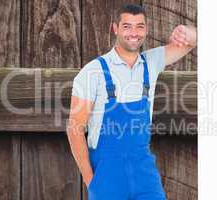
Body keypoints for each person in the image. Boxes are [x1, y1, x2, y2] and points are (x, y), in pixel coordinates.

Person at [67, 3, 197, 200]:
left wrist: (188, 32)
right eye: (127, 26)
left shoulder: (151, 63)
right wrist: (90, 180)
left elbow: (192, 43)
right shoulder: (92, 72)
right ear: (115, 28)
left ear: (146, 29)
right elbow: (74, 128)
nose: (134, 33)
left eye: (140, 26)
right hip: (107, 174)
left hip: (144, 171)